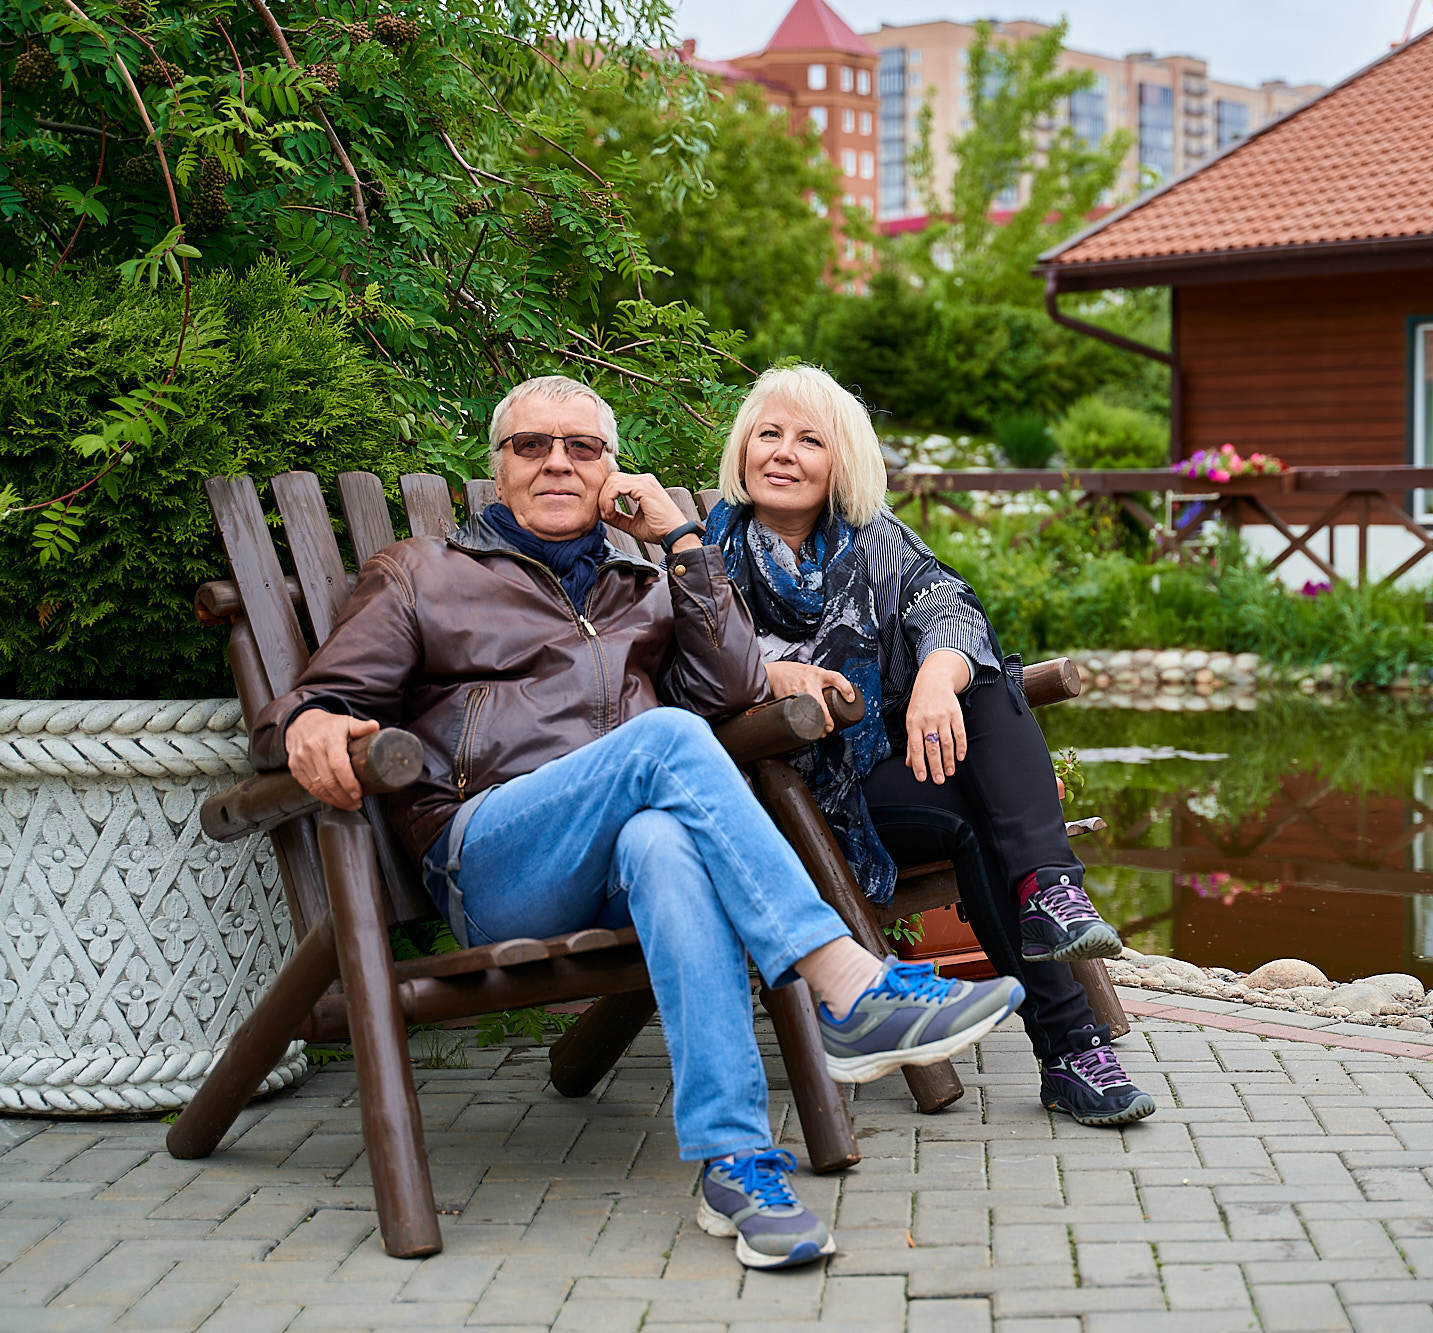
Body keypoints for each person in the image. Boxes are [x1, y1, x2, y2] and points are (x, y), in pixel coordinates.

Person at [251, 374, 1024, 1271]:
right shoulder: (423, 575)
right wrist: (309, 723)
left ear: (610, 471)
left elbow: (733, 690)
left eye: (581, 448)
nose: (557, 462)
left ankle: (735, 1165)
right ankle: (847, 981)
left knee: (664, 840)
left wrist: (685, 543)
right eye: (532, 445)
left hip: (618, 864)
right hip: (492, 856)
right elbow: (307, 704)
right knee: (663, 738)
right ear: (496, 466)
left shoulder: (640, 583)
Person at [700, 365, 1156, 1128]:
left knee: (980, 685)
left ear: (840, 462)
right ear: (743, 449)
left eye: (809, 439)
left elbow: (946, 601)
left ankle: (1052, 922)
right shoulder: (706, 557)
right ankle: (1072, 1034)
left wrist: (937, 679)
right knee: (982, 775)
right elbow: (684, 665)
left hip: (872, 777)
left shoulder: (874, 540)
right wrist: (767, 672)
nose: (782, 452)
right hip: (782, 797)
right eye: (768, 434)